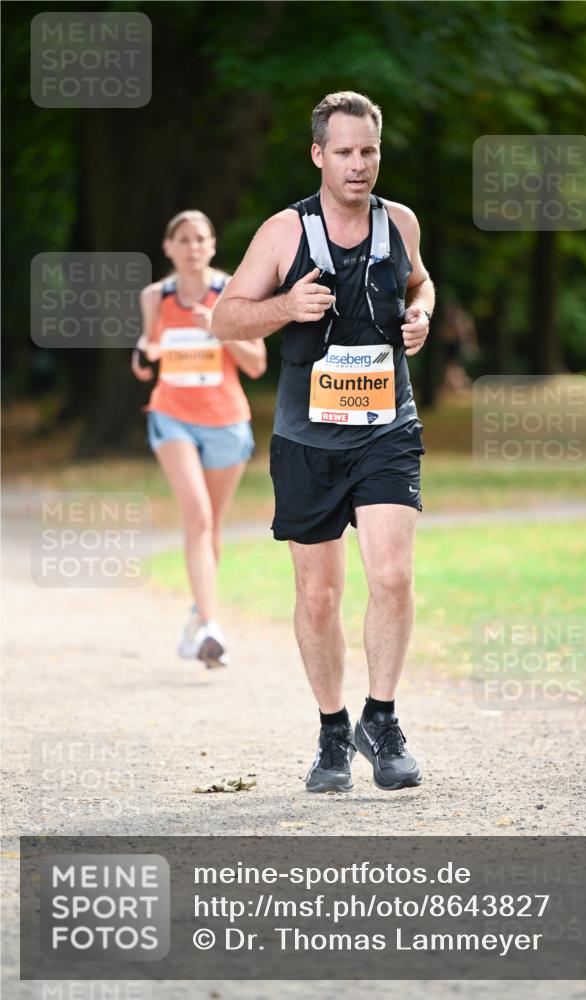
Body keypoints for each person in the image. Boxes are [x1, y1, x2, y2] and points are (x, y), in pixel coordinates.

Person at [212, 92, 434, 792]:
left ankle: (384, 717)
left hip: (386, 428)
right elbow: (224, 317)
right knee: (318, 595)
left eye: (367, 151)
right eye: (343, 152)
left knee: (392, 574)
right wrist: (285, 307)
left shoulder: (399, 222)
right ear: (318, 155)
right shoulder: (285, 233)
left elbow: (421, 283)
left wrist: (421, 315)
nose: (357, 164)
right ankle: (333, 731)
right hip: (306, 438)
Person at [132, 210, 267, 667]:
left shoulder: (233, 291)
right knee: (197, 517)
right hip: (172, 416)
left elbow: (256, 364)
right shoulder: (156, 295)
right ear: (168, 248)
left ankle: (198, 614)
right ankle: (212, 626)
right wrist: (142, 354)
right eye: (183, 240)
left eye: (200, 239)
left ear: (212, 246)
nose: (192, 247)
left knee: (211, 527)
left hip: (226, 420)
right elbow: (149, 349)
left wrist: (220, 329)